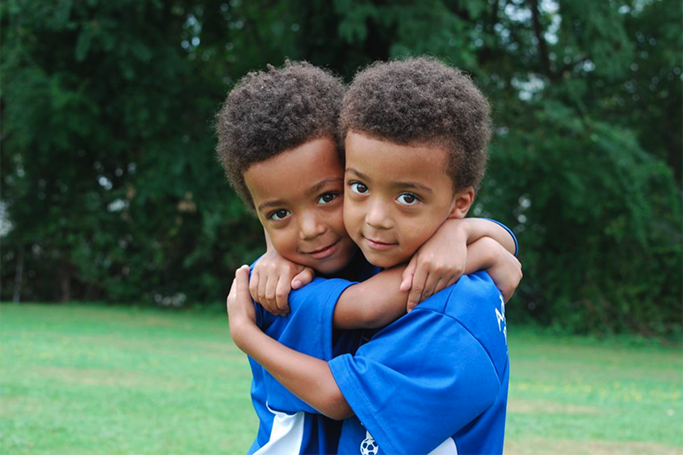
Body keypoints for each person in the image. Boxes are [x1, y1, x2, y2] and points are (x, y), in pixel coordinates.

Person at [218, 60, 520, 454]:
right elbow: (365, 306)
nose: (376, 219)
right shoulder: (276, 284)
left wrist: (464, 233)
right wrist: (476, 246)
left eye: (328, 197)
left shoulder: (458, 307)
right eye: (359, 187)